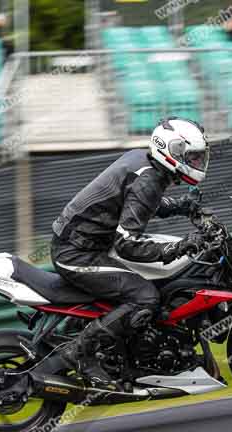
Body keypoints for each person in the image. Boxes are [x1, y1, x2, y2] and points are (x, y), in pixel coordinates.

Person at [33, 117, 211, 391]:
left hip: (85, 246)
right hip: (77, 254)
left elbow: (140, 203)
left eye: (200, 157)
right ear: (172, 151)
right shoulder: (148, 177)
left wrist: (181, 206)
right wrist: (176, 248)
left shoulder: (144, 163)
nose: (198, 163)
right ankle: (81, 354)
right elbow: (128, 243)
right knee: (145, 296)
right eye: (193, 157)